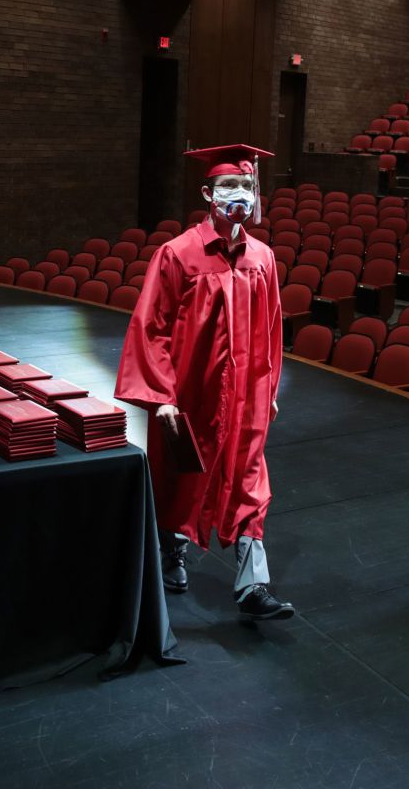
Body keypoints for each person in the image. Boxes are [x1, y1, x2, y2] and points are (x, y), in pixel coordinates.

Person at [115, 144, 293, 622]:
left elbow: (272, 327)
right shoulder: (178, 254)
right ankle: (172, 553)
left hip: (247, 396)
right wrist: (162, 395)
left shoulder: (263, 258)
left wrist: (269, 388)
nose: (239, 194)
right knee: (184, 479)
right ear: (207, 192)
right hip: (190, 395)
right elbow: (150, 326)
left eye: (247, 186)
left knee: (250, 480)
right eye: (229, 186)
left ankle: (253, 585)